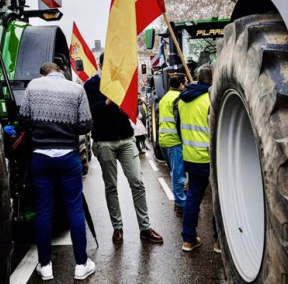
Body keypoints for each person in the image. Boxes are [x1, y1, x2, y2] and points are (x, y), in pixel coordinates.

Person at [19, 62, 96, 280]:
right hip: (68, 157)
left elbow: (24, 120)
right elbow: (86, 124)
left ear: (43, 73)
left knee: (44, 211)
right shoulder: (76, 89)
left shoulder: (33, 86)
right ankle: (81, 265)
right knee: (74, 209)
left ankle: (45, 266)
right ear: (61, 71)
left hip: (41, 157)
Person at [84, 52, 163, 245]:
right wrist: (108, 102)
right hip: (104, 141)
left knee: (137, 182)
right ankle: (117, 228)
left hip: (126, 138)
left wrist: (129, 107)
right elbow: (90, 111)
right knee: (111, 186)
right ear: (100, 65)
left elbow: (133, 109)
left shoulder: (122, 82)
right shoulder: (91, 85)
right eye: (109, 66)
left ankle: (145, 228)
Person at [177, 66, 214, 252]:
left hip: (191, 156)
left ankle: (189, 239)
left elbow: (178, 128)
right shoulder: (210, 99)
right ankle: (219, 242)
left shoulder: (182, 101)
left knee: (193, 197)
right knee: (218, 199)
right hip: (210, 157)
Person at [158, 73, 188, 217]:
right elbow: (179, 121)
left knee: (174, 173)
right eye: (185, 83)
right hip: (174, 141)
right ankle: (181, 205)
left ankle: (179, 201)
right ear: (181, 85)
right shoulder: (178, 98)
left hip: (163, 140)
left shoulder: (165, 97)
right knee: (178, 176)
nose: (186, 85)